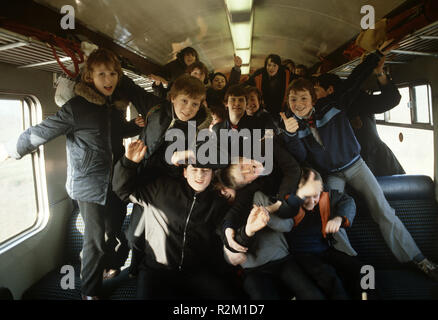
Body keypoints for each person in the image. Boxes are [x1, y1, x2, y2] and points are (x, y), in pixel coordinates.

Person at [0, 48, 153, 299]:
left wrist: (130, 126)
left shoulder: (112, 107)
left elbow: (115, 133)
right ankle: (90, 293)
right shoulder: (76, 108)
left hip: (113, 181)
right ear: (89, 77)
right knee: (94, 241)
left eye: (113, 73)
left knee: (113, 231)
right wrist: (9, 149)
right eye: (101, 73)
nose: (108, 79)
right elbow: (42, 131)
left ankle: (111, 265)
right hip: (88, 186)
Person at [279, 40, 438, 281]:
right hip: (331, 173)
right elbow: (301, 157)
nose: (298, 104)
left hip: (355, 165)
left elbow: (354, 79)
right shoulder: (293, 124)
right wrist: (290, 135)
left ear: (313, 99)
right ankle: (351, 261)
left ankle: (418, 259)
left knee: (382, 209)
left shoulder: (333, 105)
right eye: (293, 100)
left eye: (303, 98)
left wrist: (377, 55)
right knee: (330, 215)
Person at [112, 140, 242, 299]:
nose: (200, 175)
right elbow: (123, 190)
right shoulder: (161, 188)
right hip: (156, 270)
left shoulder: (217, 202)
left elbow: (226, 228)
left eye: (205, 170)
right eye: (195, 169)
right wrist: (128, 164)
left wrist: (235, 243)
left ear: (212, 174)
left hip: (195, 272)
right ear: (185, 172)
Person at [275, 167, 368, 299]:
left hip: (325, 250)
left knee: (365, 269)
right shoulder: (288, 205)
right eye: (307, 196)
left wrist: (338, 218)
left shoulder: (326, 197)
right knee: (330, 278)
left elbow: (348, 202)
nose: (312, 201)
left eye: (316, 195)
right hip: (302, 256)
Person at [219, 186, 326, 300]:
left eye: (224, 186)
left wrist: (266, 216)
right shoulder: (222, 217)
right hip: (254, 270)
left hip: (282, 260)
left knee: (312, 294)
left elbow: (288, 225)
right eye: (218, 191)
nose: (222, 191)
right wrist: (230, 252)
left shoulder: (257, 196)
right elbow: (229, 259)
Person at [313, 59, 405, 176]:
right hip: (348, 164)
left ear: (330, 90)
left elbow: (391, 99)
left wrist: (379, 73)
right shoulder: (318, 111)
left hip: (376, 161)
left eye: (316, 90)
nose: (313, 96)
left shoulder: (355, 99)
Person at [245, 54, 295, 118]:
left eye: (274, 65)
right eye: (269, 65)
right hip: (263, 111)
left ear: (279, 67)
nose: (271, 68)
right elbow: (246, 84)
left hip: (282, 110)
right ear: (266, 66)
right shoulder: (259, 75)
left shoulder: (287, 75)